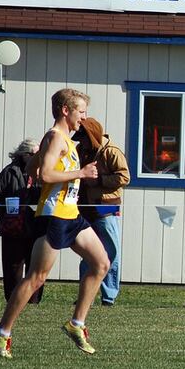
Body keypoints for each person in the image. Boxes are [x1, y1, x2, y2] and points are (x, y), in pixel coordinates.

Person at [0, 88, 110, 358]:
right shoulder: (56, 137)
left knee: (101, 263)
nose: (84, 118)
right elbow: (46, 173)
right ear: (65, 110)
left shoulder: (64, 138)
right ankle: (2, 331)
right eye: (80, 112)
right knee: (36, 278)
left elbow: (33, 170)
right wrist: (81, 172)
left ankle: (76, 324)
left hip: (70, 214)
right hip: (53, 216)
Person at [72, 117, 130, 307]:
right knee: (86, 253)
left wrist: (98, 181)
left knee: (110, 253)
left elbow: (124, 177)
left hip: (106, 209)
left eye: (85, 138)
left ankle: (108, 296)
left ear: (93, 135)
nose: (82, 142)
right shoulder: (81, 150)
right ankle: (85, 295)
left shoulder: (111, 151)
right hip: (85, 209)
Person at [0, 138, 43, 304]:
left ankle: (33, 301)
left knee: (35, 265)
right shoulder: (9, 172)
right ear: (24, 155)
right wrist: (7, 213)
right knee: (13, 266)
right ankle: (12, 300)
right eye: (35, 154)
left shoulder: (42, 172)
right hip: (13, 228)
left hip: (35, 226)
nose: (38, 158)